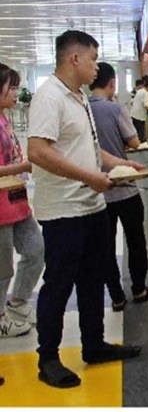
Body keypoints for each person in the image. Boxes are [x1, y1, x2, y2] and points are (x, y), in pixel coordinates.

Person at [27, 30, 144, 389]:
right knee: (59, 285)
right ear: (74, 58)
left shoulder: (78, 98)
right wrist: (90, 178)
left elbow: (89, 151)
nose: (97, 67)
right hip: (64, 211)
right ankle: (48, 358)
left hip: (90, 206)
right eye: (93, 59)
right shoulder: (50, 97)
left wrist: (119, 164)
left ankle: (94, 344)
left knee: (93, 278)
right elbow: (38, 151)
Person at [89, 62, 148, 312]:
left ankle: (116, 296)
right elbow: (133, 141)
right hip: (125, 187)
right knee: (136, 240)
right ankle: (139, 289)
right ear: (111, 83)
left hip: (98, 191)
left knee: (105, 245)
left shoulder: (82, 109)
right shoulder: (115, 109)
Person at [0, 64, 44, 338]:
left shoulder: (4, 119)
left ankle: (17, 300)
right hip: (1, 209)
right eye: (11, 87)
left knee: (36, 250)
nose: (17, 92)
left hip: (17, 201)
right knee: (3, 267)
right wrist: (22, 167)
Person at [130, 76, 148, 141]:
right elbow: (146, 105)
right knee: (140, 134)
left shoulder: (140, 91)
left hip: (134, 114)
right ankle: (140, 146)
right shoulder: (145, 93)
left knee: (137, 132)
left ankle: (137, 144)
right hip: (139, 116)